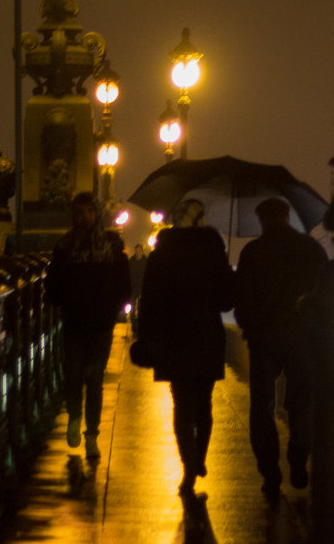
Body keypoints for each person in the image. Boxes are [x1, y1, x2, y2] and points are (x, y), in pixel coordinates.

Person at [136, 198, 235, 496]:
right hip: (206, 336)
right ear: (201, 218)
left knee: (181, 405)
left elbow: (149, 301)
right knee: (204, 403)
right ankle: (200, 458)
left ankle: (188, 465)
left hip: (172, 338)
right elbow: (226, 300)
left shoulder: (162, 252)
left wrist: (146, 338)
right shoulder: (214, 249)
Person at [234, 197, 328, 498]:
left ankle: (270, 473)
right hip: (302, 337)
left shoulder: (253, 252)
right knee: (302, 401)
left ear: (262, 220)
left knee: (262, 407)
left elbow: (242, 301)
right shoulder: (311, 249)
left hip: (264, 339)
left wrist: (251, 325)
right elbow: (324, 291)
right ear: (289, 216)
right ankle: (299, 456)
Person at [49, 191, 131, 461]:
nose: (83, 216)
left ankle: (92, 435)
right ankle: (75, 417)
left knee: (94, 379)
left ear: (96, 214)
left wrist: (112, 308)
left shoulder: (111, 246)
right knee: (73, 376)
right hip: (74, 323)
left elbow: (124, 284)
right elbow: (53, 285)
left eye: (88, 211)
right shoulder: (64, 247)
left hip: (100, 325)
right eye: (79, 211)